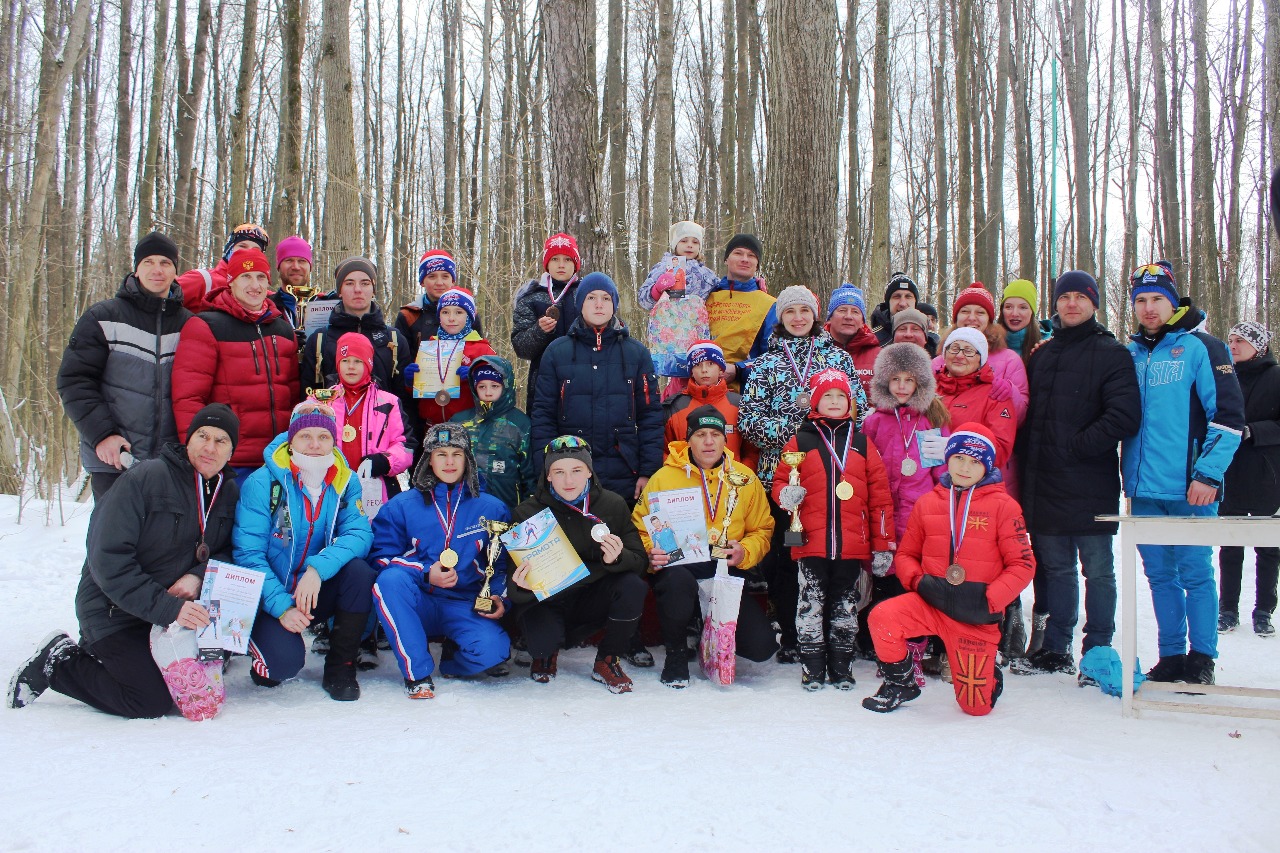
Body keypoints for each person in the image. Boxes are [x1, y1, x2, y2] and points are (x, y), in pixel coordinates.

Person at [7, 405, 240, 717]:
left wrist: (199, 575)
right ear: (188, 439)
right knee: (149, 700)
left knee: (195, 683)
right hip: (113, 610)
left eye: (221, 440)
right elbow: (108, 559)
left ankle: (127, 656)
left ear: (232, 451)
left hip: (165, 616)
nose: (209, 447)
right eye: (202, 436)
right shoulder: (146, 478)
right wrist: (171, 608)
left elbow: (228, 551)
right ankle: (60, 662)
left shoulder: (227, 492)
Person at [1013, 271, 1141, 678]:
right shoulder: (1043, 355)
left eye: (1080, 297)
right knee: (1056, 570)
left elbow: (1124, 415)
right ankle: (1056, 646)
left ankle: (1098, 646)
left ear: (1094, 304)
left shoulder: (1111, 353)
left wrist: (1075, 447)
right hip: (1045, 484)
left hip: (1088, 482)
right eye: (1064, 296)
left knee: (1098, 570)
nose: (1071, 304)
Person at [1123, 261, 1244, 685]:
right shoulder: (1132, 352)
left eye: (1157, 299)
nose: (1149, 308)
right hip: (1143, 487)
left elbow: (1228, 416)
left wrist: (1208, 475)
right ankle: (1171, 653)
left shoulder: (1202, 347)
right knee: (1159, 575)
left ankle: (1202, 657)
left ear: (1174, 302)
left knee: (1195, 571)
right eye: (1141, 300)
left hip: (1191, 485)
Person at [862, 424, 1034, 715]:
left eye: (975, 461)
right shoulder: (928, 502)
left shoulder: (1005, 507)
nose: (965, 467)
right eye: (958, 458)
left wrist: (991, 599)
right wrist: (917, 581)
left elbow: (1023, 564)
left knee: (975, 708)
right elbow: (906, 554)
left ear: (987, 465)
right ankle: (900, 682)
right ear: (948, 459)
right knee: (882, 617)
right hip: (931, 600)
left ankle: (989, 675)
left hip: (974, 614)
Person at [740, 285, 866, 661]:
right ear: (780, 318)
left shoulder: (837, 359)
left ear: (815, 316)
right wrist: (797, 435)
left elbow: (859, 411)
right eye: (790, 311)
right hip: (781, 478)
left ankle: (832, 632)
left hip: (832, 478)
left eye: (804, 311)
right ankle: (795, 636)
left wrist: (824, 434)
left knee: (830, 557)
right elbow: (749, 421)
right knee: (785, 557)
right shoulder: (765, 364)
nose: (797, 318)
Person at [234, 400, 375, 701]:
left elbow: (359, 533)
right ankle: (260, 646)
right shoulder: (262, 482)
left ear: (333, 441)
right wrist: (283, 606)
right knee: (280, 669)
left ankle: (341, 667)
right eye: (305, 436)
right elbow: (249, 556)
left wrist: (317, 568)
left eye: (323, 437)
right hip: (272, 594)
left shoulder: (344, 480)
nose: (314, 444)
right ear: (291, 439)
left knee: (359, 573)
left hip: (312, 587)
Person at [633, 406, 779, 687]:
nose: (709, 441)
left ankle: (705, 632)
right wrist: (651, 551)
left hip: (725, 570)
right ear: (688, 439)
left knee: (760, 648)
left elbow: (763, 529)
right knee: (675, 583)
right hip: (679, 568)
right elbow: (639, 526)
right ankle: (676, 654)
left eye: (715, 434)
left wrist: (744, 551)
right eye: (701, 434)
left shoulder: (744, 477)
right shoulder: (664, 478)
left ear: (726, 440)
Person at [773, 369, 895, 690]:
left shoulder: (863, 444)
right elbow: (781, 480)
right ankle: (812, 667)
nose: (834, 401)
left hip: (853, 545)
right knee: (810, 602)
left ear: (850, 402)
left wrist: (883, 544)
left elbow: (881, 498)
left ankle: (842, 665)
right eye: (827, 395)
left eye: (841, 396)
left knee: (844, 605)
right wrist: (786, 496)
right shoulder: (799, 441)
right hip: (810, 541)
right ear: (814, 401)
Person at [370, 424, 512, 698]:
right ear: (428, 460)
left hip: (463, 604)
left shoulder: (492, 508)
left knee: (494, 650)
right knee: (389, 581)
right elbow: (380, 558)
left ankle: (451, 661)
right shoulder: (401, 506)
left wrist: (499, 597)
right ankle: (418, 674)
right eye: (440, 454)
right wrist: (424, 572)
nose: (449, 462)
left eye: (456, 454)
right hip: (418, 601)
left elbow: (502, 564)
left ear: (467, 459)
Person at [57, 232, 193, 499]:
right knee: (114, 539)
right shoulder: (104, 318)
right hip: (116, 458)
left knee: (162, 541)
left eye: (165, 263)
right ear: (136, 268)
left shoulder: (189, 324)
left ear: (176, 270)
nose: (157, 269)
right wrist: (103, 435)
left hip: (170, 464)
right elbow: (74, 381)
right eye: (149, 262)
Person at [510, 436, 649, 693]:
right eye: (559, 472)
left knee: (632, 586)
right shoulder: (527, 513)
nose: (569, 480)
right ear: (548, 476)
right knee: (541, 643)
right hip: (548, 600)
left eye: (576, 470)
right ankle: (546, 652)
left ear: (589, 471)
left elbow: (640, 562)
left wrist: (617, 558)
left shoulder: (613, 504)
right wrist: (521, 585)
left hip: (591, 598)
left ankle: (608, 658)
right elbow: (513, 584)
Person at [171, 247, 300, 484]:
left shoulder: (282, 329)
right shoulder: (205, 326)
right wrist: (197, 454)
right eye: (246, 276)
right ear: (231, 282)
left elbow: (292, 396)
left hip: (278, 460)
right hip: (229, 461)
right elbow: (188, 399)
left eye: (261, 277)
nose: (255, 284)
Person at [530, 272, 663, 501]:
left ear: (614, 304)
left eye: (606, 298)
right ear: (580, 304)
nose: (599, 304)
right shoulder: (556, 352)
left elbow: (651, 417)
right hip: (570, 474)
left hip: (625, 475)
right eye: (591, 298)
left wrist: (648, 471)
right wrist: (546, 470)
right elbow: (543, 416)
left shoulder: (636, 353)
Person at [860, 342, 953, 670]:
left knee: (916, 578)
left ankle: (920, 643)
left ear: (920, 384)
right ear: (885, 382)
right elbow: (864, 465)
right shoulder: (873, 422)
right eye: (895, 379)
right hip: (884, 514)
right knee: (886, 579)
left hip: (920, 516)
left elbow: (943, 472)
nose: (901, 386)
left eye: (909, 380)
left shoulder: (932, 419)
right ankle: (886, 643)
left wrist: (941, 509)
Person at [1217, 321, 1280, 637]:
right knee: (1230, 545)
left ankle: (1264, 610)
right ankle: (1227, 609)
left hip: (1267, 474)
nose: (1234, 344)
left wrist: (1255, 431)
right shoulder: (1224, 377)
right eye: (1230, 339)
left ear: (1260, 346)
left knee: (1268, 547)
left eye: (1241, 340)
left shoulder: (1276, 377)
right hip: (1230, 473)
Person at [300, 256, 411, 396]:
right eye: (349, 283)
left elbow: (405, 404)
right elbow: (308, 397)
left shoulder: (394, 340)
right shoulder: (320, 340)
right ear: (339, 290)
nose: (358, 289)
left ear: (373, 289)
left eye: (365, 283)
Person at [328, 332, 416, 504]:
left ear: (368, 364)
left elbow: (405, 445)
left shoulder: (388, 402)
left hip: (375, 488)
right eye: (345, 361)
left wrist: (385, 461)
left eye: (358, 361)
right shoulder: (322, 401)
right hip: (331, 485)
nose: (351, 367)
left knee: (371, 529)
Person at [403, 286, 497, 434]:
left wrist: (477, 377)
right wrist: (410, 382)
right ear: (438, 316)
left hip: (470, 427)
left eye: (459, 312)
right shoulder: (429, 347)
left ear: (469, 316)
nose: (451, 318)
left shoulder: (483, 350)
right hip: (432, 427)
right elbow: (419, 391)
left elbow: (499, 388)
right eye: (445, 312)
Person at [639, 221, 715, 396]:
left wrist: (753, 285)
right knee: (676, 384)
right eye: (684, 241)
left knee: (697, 378)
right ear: (675, 244)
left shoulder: (706, 275)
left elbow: (722, 293)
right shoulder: (663, 268)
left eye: (695, 242)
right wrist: (657, 289)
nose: (689, 245)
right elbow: (644, 299)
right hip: (670, 337)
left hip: (696, 335)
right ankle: (671, 410)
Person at [449, 354, 536, 509]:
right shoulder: (459, 422)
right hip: (464, 507)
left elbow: (530, 475)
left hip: (507, 507)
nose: (488, 392)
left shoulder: (520, 424)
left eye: (494, 386)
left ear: (505, 386)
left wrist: (527, 510)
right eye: (482, 386)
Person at [511, 233, 583, 413]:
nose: (561, 265)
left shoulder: (588, 296)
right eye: (555, 259)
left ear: (575, 263)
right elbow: (521, 348)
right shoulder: (530, 298)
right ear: (546, 263)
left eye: (567, 259)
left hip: (584, 383)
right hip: (543, 385)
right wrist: (539, 331)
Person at [937, 283, 1029, 423]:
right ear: (956, 318)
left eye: (980, 312)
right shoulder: (939, 361)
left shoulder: (1009, 359)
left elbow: (1021, 417)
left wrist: (1011, 393)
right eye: (965, 311)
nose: (972, 318)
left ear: (989, 319)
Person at [934, 327, 1016, 477]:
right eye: (954, 348)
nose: (959, 355)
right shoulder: (928, 387)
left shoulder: (995, 394)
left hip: (970, 483)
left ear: (981, 359)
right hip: (926, 484)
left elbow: (1001, 450)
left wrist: (955, 447)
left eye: (969, 351)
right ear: (944, 354)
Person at [663, 340, 758, 470]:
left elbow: (752, 451)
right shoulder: (674, 407)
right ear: (691, 371)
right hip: (688, 485)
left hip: (732, 485)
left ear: (721, 369)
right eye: (697, 365)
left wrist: (743, 474)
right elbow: (664, 451)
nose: (704, 370)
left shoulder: (740, 404)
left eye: (711, 364)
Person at [177, 224, 298, 323]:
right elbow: (163, 302)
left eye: (255, 249)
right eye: (242, 246)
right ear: (229, 249)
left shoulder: (262, 292)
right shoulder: (202, 279)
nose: (247, 252)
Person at [704, 234, 776, 384]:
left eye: (751, 255)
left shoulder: (769, 305)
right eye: (738, 253)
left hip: (744, 395)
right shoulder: (705, 297)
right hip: (698, 388)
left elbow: (775, 357)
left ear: (757, 264)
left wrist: (739, 370)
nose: (745, 259)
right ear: (726, 259)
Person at [397, 249, 485, 351]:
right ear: (422, 282)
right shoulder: (409, 315)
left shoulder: (469, 312)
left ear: (452, 281)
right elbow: (401, 358)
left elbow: (480, 350)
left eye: (445, 276)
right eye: (432, 276)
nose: (439, 282)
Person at [824, 283, 880, 395]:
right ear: (830, 318)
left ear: (862, 321)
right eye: (842, 310)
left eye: (855, 312)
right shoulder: (815, 350)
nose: (848, 317)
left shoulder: (878, 356)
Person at [868, 272, 939, 355]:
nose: (902, 303)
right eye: (897, 297)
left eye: (908, 297)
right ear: (888, 302)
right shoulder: (872, 340)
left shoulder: (932, 342)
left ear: (915, 302)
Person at [998, 279, 1044, 365]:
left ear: (1032, 312)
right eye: (1008, 307)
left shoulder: (1044, 346)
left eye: (1023, 307)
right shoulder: (988, 345)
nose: (1014, 313)